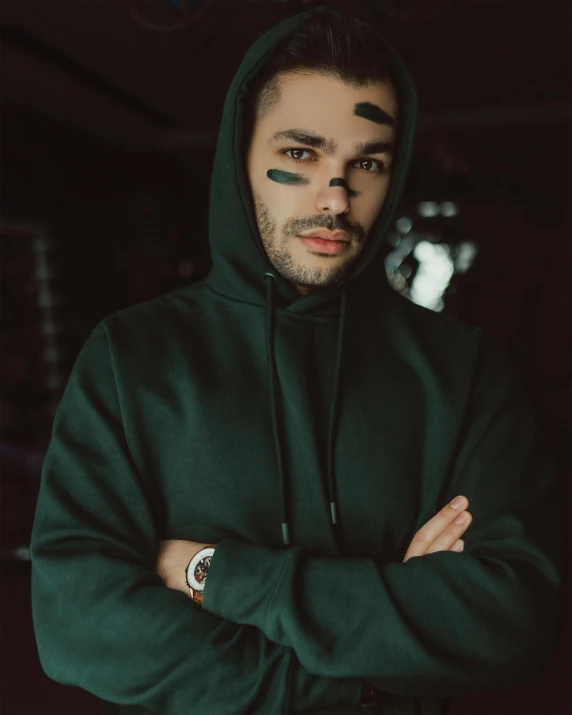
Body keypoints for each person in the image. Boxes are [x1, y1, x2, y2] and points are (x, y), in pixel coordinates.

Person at [30, 6, 564, 715]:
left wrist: (211, 573)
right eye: (302, 154)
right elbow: (78, 627)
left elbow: (513, 620)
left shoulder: (465, 371)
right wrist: (375, 660)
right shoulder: (132, 357)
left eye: (366, 162)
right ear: (240, 156)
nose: (336, 198)